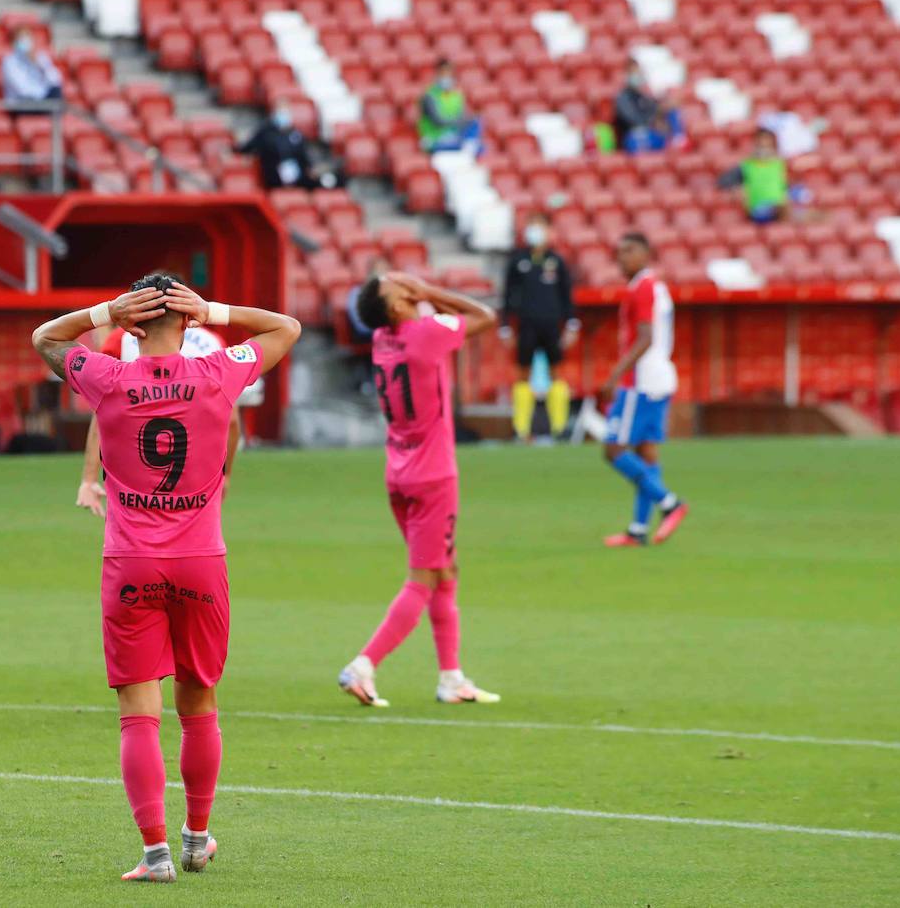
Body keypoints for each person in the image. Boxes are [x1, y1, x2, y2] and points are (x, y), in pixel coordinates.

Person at [31, 273, 301, 883]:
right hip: (200, 561)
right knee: (199, 703)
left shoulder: (107, 378)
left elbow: (45, 337)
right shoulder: (217, 373)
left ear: (132, 322)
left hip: (131, 562)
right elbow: (286, 327)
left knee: (138, 712)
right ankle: (197, 838)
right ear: (188, 323)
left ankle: (154, 855)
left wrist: (103, 311)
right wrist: (215, 308)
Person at [337, 272, 501, 708]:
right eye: (398, 286)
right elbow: (485, 315)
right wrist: (430, 293)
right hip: (433, 476)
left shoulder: (381, 340)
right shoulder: (426, 334)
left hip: (399, 470)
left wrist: (415, 297)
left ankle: (451, 678)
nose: (408, 285)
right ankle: (363, 665)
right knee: (423, 578)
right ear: (395, 307)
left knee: (446, 571)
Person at [76, 322, 241, 518]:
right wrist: (226, 475)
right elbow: (232, 420)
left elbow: (102, 411)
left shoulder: (120, 339)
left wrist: (89, 478)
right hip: (196, 474)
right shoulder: (211, 341)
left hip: (133, 470)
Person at [598, 232, 689, 547]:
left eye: (630, 250)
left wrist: (614, 375)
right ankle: (638, 530)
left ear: (647, 253)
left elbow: (646, 336)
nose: (623, 257)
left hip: (641, 381)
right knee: (646, 452)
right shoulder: (655, 287)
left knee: (613, 449)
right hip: (659, 378)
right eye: (619, 252)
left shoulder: (644, 288)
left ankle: (669, 503)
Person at [500, 213, 578, 441]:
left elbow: (567, 296)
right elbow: (508, 295)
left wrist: (572, 325)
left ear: (549, 231)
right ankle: (521, 429)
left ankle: (559, 428)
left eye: (539, 227)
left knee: (556, 373)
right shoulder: (517, 261)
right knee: (523, 375)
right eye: (531, 227)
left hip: (552, 325)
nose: (535, 232)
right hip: (526, 326)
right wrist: (505, 327)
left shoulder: (557, 261)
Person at [718, 128, 801, 223]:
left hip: (780, 206)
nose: (764, 148)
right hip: (759, 209)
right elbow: (724, 181)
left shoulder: (780, 164)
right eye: (761, 144)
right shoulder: (747, 165)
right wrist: (737, 189)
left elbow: (789, 185)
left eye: (767, 145)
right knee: (785, 207)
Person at [236, 100, 319, 190]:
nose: (284, 114)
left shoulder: (295, 133)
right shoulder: (265, 132)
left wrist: (309, 167)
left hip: (297, 176)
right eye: (280, 111)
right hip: (273, 177)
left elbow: (303, 154)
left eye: (286, 111)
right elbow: (248, 147)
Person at [613, 58, 683, 153]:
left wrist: (662, 110)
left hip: (651, 132)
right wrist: (654, 120)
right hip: (633, 135)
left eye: (638, 73)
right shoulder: (623, 98)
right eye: (633, 73)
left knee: (672, 112)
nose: (637, 76)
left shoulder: (643, 96)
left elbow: (654, 109)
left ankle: (678, 141)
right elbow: (633, 119)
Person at [417, 59, 482, 155]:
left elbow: (462, 116)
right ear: (437, 74)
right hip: (434, 139)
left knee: (476, 124)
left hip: (454, 136)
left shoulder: (457, 95)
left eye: (450, 73)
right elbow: (438, 121)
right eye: (444, 73)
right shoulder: (429, 96)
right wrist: (460, 120)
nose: (447, 77)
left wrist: (469, 119)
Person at [1, 28, 62, 105]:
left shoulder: (40, 57)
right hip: (21, 101)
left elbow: (55, 80)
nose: (24, 40)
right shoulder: (9, 62)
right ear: (13, 42)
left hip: (41, 98)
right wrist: (40, 96)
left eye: (26, 37)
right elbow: (20, 88)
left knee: (56, 92)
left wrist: (38, 64)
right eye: (20, 38)